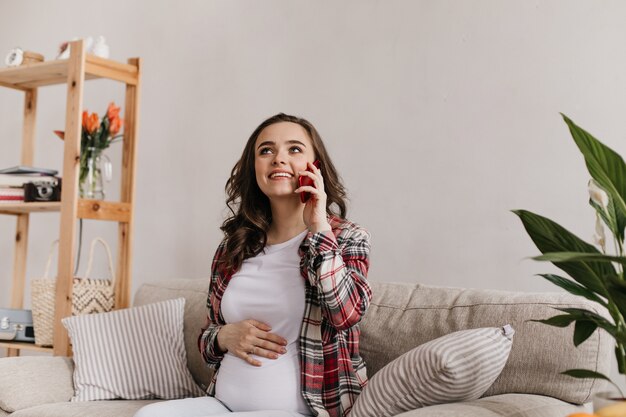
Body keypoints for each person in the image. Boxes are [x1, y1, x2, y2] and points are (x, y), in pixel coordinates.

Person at [134, 113, 371, 417]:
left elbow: (347, 314)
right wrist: (223, 337)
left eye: (295, 149)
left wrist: (320, 228)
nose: (278, 159)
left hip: (307, 410)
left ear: (317, 168)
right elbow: (208, 338)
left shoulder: (345, 237)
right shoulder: (235, 245)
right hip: (222, 405)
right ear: (255, 168)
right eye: (266, 150)